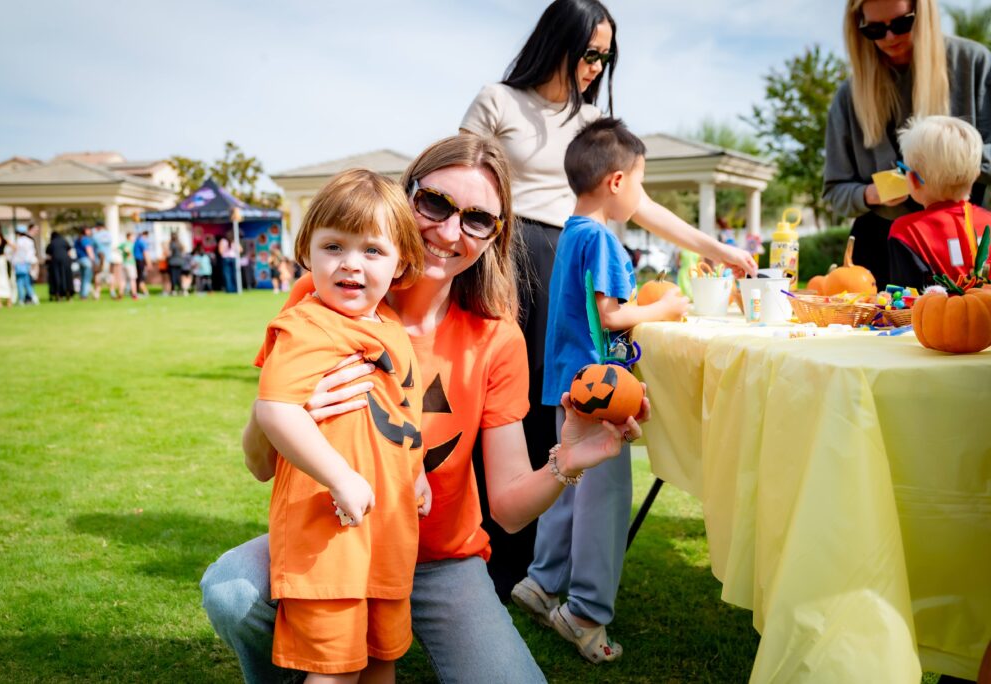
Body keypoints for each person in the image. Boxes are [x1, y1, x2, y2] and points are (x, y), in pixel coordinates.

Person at [200, 134, 647, 684]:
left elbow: (506, 509)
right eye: (435, 204)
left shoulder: (496, 338)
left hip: (441, 561)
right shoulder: (326, 298)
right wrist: (288, 412)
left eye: (478, 219)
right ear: (405, 198)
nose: (450, 232)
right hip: (339, 533)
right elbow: (260, 463)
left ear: (495, 234)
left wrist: (571, 457)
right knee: (233, 592)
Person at [459, 0, 756, 599]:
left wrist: (717, 248)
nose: (597, 65)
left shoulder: (592, 123)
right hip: (503, 256)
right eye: (589, 51)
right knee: (497, 401)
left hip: (565, 261)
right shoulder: (496, 100)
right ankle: (480, 550)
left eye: (606, 55)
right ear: (558, 41)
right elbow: (462, 176)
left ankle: (531, 566)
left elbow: (638, 203)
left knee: (556, 407)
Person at [511, 119, 688, 664]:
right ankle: (584, 611)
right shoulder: (605, 240)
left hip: (567, 380)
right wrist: (666, 307)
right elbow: (612, 316)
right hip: (601, 386)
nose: (641, 195)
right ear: (616, 182)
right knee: (605, 498)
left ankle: (541, 582)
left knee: (568, 479)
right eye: (641, 182)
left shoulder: (570, 234)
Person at [254, 169, 427, 681]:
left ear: (402, 264)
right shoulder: (306, 325)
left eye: (372, 250)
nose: (351, 263)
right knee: (334, 671)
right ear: (307, 253)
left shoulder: (390, 329)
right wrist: (341, 476)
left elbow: (402, 415)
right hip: (325, 540)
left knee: (381, 661)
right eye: (334, 246)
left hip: (387, 534)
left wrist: (413, 473)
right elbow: (276, 408)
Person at [824, 0, 991, 291]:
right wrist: (872, 194)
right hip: (879, 244)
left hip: (963, 237)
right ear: (858, 26)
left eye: (902, 24)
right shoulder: (848, 96)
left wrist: (948, 168)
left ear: (923, 14)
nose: (889, 37)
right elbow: (833, 190)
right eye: (874, 29)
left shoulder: (973, 62)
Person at [886, 115, 991, 289]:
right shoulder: (988, 220)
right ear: (975, 176)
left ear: (913, 179)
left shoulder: (906, 232)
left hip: (936, 315)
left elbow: (906, 303)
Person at [12, 225, 39, 305]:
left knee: (20, 283)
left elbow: (14, 254)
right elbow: (31, 254)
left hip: (19, 265)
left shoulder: (17, 242)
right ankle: (33, 297)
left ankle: (21, 299)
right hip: (26, 264)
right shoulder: (29, 241)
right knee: (27, 282)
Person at [74, 226, 95, 299]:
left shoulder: (77, 239)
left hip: (80, 260)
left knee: (83, 278)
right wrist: (93, 260)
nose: (90, 231)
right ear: (85, 231)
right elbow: (89, 249)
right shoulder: (85, 239)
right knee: (87, 278)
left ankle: (82, 293)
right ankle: (84, 295)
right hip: (86, 260)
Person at [120, 232, 138, 300]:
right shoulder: (130, 244)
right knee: (132, 279)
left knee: (123, 280)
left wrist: (122, 254)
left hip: (124, 263)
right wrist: (129, 254)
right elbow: (127, 250)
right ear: (129, 237)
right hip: (130, 264)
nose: (134, 238)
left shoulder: (123, 244)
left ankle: (120, 294)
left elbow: (116, 248)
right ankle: (134, 295)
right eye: (133, 237)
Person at [133, 230, 149, 297]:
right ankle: (145, 292)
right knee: (141, 277)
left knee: (138, 276)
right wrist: (149, 263)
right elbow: (145, 253)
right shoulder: (142, 241)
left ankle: (137, 291)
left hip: (136, 260)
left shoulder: (136, 241)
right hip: (140, 260)